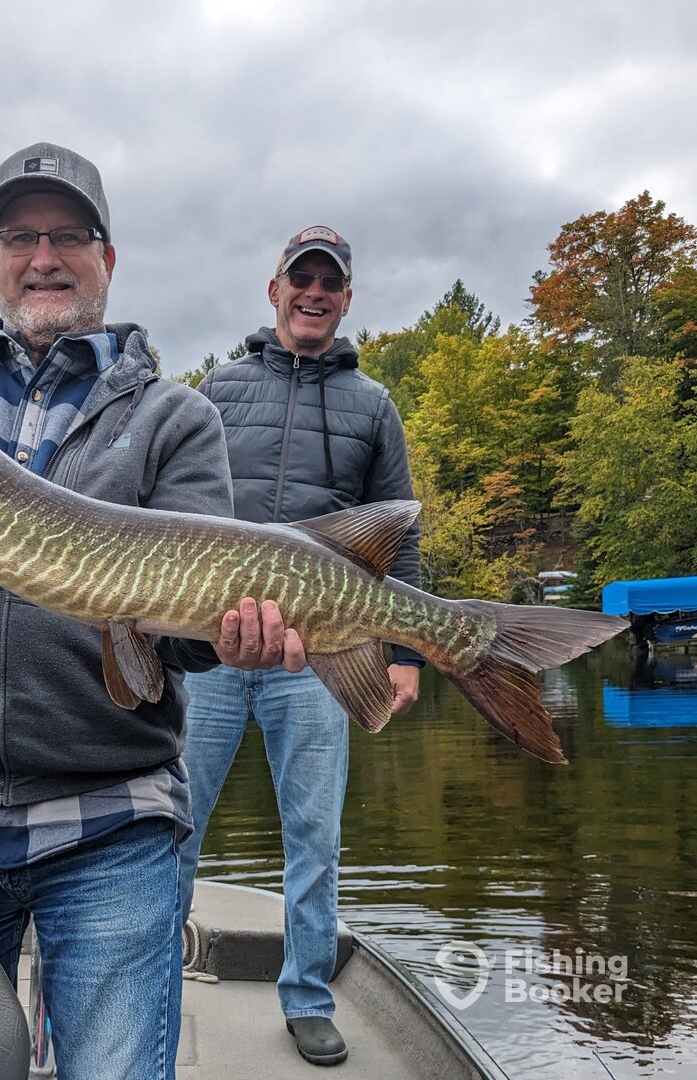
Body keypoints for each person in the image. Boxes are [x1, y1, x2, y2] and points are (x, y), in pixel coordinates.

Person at [0, 142, 303, 1080]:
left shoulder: (173, 420)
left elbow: (184, 641)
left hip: (108, 827)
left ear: (106, 258)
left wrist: (228, 632)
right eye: (19, 236)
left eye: (67, 234)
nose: (43, 256)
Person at [177, 226, 424, 1067]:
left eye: (330, 282)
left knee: (313, 835)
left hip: (321, 650)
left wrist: (405, 655)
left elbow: (401, 537)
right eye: (301, 278)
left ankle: (309, 996)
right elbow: (183, 507)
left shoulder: (374, 405)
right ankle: (148, 984)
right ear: (274, 290)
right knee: (172, 824)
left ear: (346, 298)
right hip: (213, 647)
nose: (314, 292)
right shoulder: (218, 388)